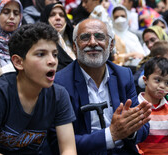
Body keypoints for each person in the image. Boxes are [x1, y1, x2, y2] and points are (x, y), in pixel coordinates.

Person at [0, 22, 77, 154]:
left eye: (54, 54)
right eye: (41, 54)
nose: (52, 61)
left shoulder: (59, 95)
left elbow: (69, 150)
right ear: (18, 62)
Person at [52, 18, 152, 154]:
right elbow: (57, 142)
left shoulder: (124, 75)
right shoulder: (59, 83)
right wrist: (110, 135)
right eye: (85, 37)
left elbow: (143, 130)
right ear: (75, 47)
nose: (93, 42)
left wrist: (129, 130)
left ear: (111, 45)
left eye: (99, 36)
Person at [137, 57, 168, 154]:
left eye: (167, 83)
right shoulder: (136, 106)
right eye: (157, 80)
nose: (162, 86)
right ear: (145, 80)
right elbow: (131, 137)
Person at [40, 2, 75, 70]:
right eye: (52, 15)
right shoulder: (40, 42)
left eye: (62, 15)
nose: (58, 18)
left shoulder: (75, 38)